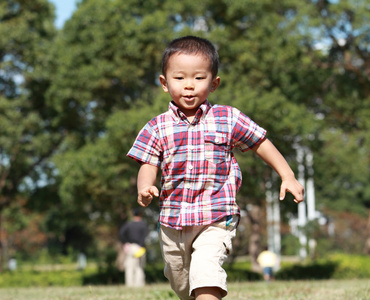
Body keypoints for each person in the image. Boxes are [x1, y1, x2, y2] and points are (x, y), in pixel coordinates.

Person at [127, 36, 304, 300]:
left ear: (214, 83)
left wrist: (287, 175)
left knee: (206, 272)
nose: (189, 86)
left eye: (199, 78)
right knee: (182, 282)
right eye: (179, 78)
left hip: (216, 215)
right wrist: (145, 186)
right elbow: (148, 163)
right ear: (164, 83)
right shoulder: (156, 127)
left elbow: (260, 142)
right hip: (173, 221)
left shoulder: (228, 118)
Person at [119, 208, 148, 287]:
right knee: (139, 267)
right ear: (140, 215)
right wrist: (141, 245)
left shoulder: (128, 224)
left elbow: (121, 233)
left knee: (129, 267)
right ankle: (139, 285)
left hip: (131, 247)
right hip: (140, 248)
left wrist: (125, 243)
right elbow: (145, 236)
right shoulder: (143, 225)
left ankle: (129, 284)